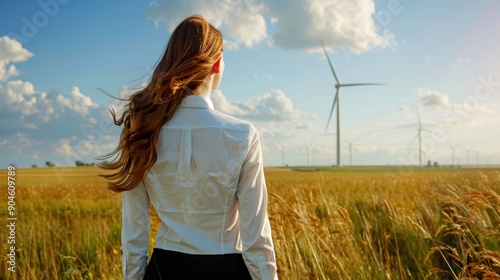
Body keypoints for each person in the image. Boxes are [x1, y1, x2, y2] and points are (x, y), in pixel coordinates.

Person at [99, 15, 278, 280]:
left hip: (163, 269)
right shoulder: (242, 135)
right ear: (216, 65)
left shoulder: (142, 130)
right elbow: (256, 236)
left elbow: (134, 232)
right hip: (226, 270)